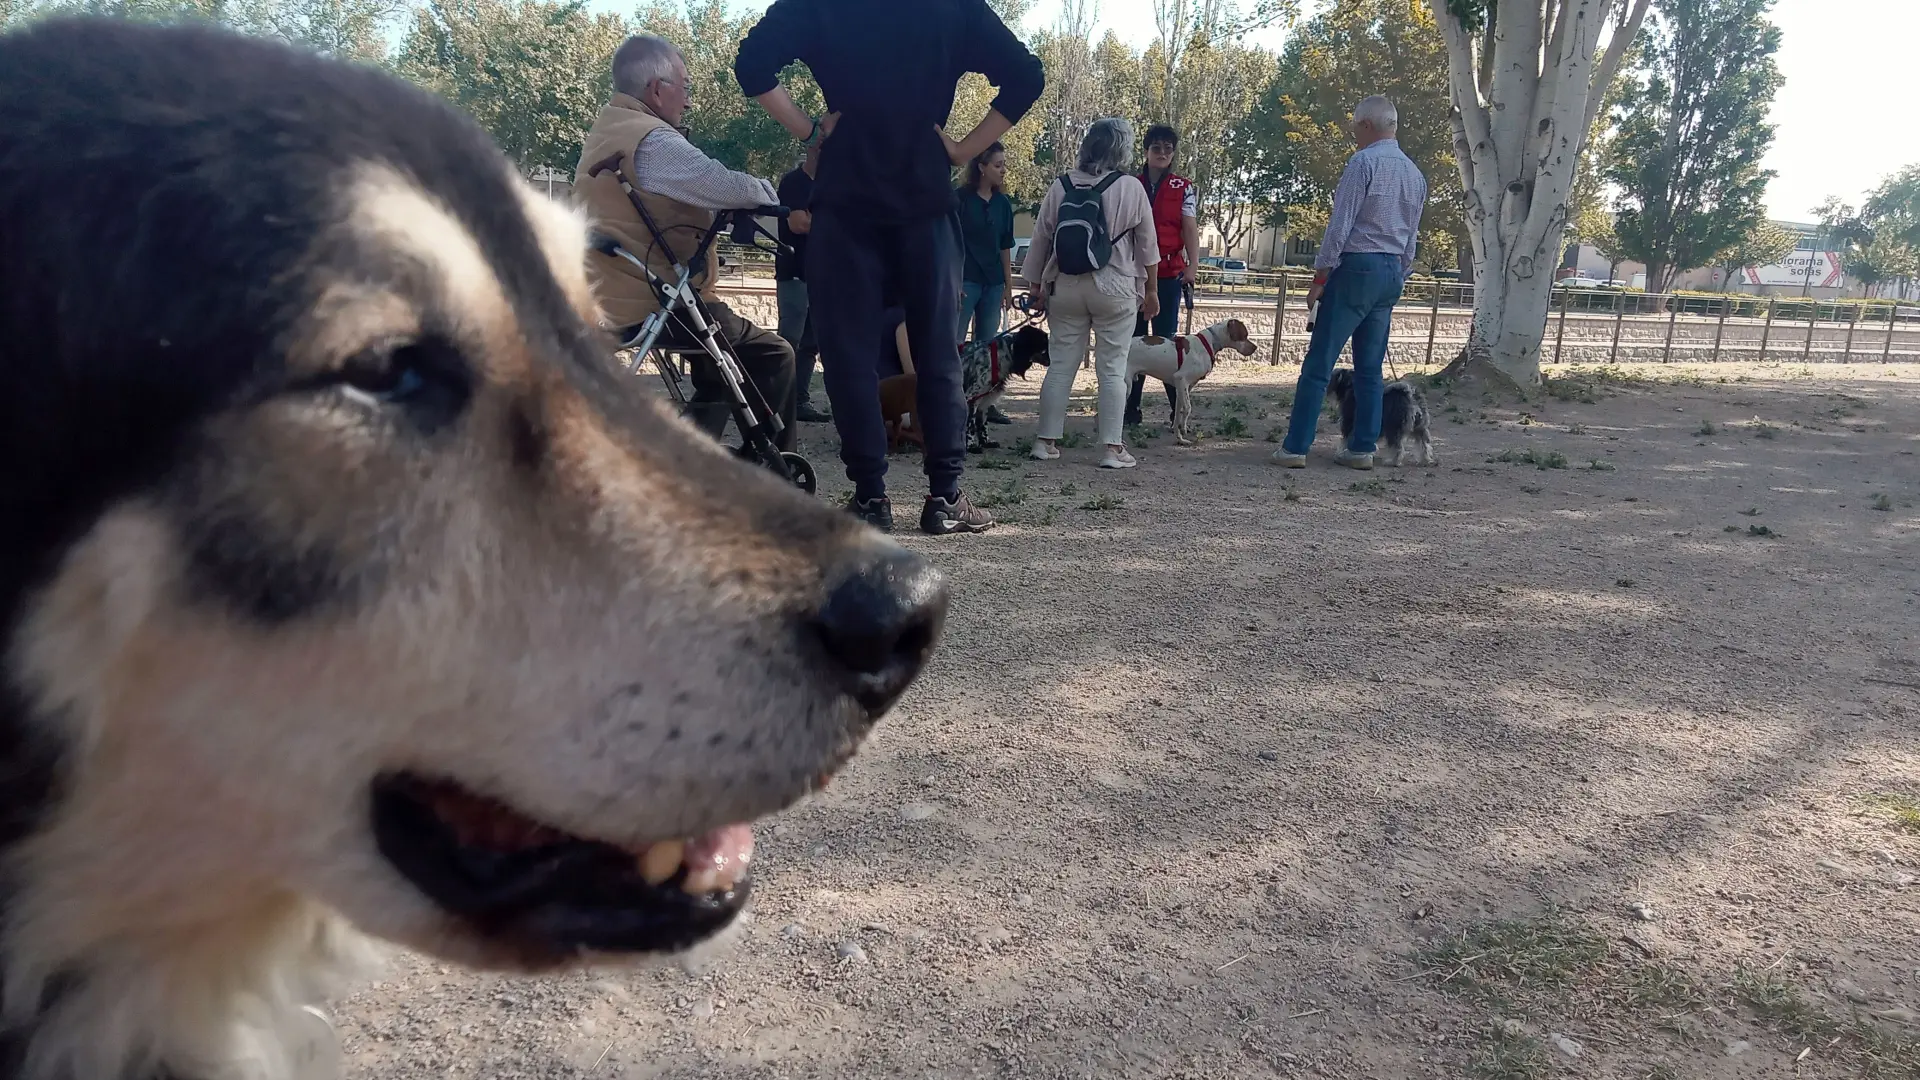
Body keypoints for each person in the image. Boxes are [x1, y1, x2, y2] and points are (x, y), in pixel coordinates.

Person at [735, 0, 1044, 535]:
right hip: (923, 199)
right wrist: (963, 148)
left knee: (848, 355)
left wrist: (810, 133)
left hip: (845, 200)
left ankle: (871, 499)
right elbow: (1026, 75)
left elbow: (751, 64)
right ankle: (945, 496)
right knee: (938, 354)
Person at [575, 35, 798, 452]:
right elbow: (726, 185)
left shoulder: (607, 133)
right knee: (776, 354)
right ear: (658, 89)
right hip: (656, 302)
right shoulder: (653, 142)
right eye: (686, 86)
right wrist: (769, 193)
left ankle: (685, 466)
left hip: (609, 295)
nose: (689, 101)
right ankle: (773, 475)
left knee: (718, 370)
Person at [1272, 95, 1426, 472]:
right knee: (1370, 369)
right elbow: (1411, 240)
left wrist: (1320, 276)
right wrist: (1398, 273)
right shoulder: (1415, 174)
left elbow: (1340, 226)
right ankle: (1361, 447)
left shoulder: (1363, 163)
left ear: (1367, 125)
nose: (1354, 134)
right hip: (1391, 270)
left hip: (1357, 266)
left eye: (1356, 126)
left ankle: (1296, 446)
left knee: (1319, 362)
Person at [1024, 117, 1159, 470]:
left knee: (1061, 365)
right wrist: (1153, 289)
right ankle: (1111, 449)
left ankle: (1045, 441)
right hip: (1115, 285)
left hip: (1066, 284)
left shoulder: (1062, 184)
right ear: (1123, 149)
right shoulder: (1131, 187)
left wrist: (1036, 287)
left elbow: (1041, 237)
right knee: (1113, 368)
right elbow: (1148, 244)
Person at [1122, 123, 1201, 428]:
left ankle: (1176, 410)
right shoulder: (1130, 183)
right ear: (1146, 150)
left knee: (1168, 342)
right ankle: (1130, 409)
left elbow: (1189, 227)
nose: (1163, 153)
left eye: (1169, 148)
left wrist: (1192, 265)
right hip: (1134, 273)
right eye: (1157, 147)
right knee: (1134, 340)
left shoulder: (1184, 187)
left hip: (1169, 274)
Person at [956, 141, 1019, 427]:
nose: (1003, 170)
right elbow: (950, 244)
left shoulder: (1004, 204)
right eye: (998, 165)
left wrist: (1007, 285)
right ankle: (952, 399)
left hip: (993, 282)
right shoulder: (959, 200)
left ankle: (986, 404)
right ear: (981, 167)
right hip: (965, 280)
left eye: (1004, 164)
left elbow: (1006, 245)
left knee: (990, 347)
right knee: (956, 343)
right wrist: (952, 280)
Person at [776, 143, 831, 423]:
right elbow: (798, 223)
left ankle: (800, 400)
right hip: (795, 271)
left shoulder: (834, 184)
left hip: (824, 274)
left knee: (810, 342)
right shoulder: (793, 182)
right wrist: (835, 221)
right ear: (810, 149)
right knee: (790, 339)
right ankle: (776, 401)